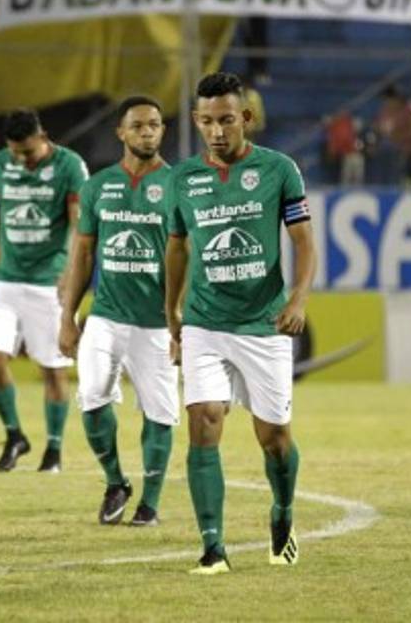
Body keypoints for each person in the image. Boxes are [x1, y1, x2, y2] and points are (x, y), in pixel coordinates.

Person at [164, 72, 316, 575]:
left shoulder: (279, 170)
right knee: (204, 420)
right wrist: (173, 318)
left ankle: (283, 512)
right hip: (206, 323)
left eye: (226, 120)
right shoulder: (183, 179)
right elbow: (178, 249)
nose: (216, 131)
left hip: (263, 324)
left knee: (273, 439)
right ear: (195, 122)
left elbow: (304, 243)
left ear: (245, 118)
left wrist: (297, 300)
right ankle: (212, 547)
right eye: (206, 122)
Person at [59, 96, 178, 527]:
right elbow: (83, 255)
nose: (148, 131)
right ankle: (116, 482)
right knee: (91, 400)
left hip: (156, 324)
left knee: (160, 413)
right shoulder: (98, 186)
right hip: (105, 317)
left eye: (155, 124)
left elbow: (188, 259)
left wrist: (181, 323)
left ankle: (151, 502)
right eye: (139, 125)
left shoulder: (178, 185)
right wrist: (67, 317)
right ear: (121, 133)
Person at [0, 108, 89, 473]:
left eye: (27, 152)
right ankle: (14, 435)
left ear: (43, 137)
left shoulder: (71, 166)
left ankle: (53, 450)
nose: (20, 159)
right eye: (15, 152)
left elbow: (79, 225)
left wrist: (70, 273)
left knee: (53, 369)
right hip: (6, 277)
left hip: (48, 282)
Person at [372, 85, 411, 184]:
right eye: (384, 100)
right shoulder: (384, 111)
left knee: (394, 153)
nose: (386, 102)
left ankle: (406, 185)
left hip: (406, 150)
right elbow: (377, 127)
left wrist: (396, 138)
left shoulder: (407, 111)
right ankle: (382, 184)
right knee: (383, 149)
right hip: (388, 149)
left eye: (388, 100)